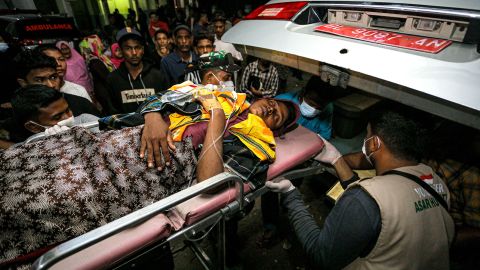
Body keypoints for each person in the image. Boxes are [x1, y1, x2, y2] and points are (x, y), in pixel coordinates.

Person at [266, 110, 455, 269]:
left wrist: (290, 194)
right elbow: (380, 205)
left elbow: (322, 255)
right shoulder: (434, 181)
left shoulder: (364, 199)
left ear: (374, 143)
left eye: (367, 135)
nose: (365, 140)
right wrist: (337, 160)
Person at [11, 50, 100, 143]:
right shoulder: (17, 118)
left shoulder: (81, 103)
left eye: (53, 77)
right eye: (39, 80)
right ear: (23, 83)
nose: (50, 85)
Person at [106, 27, 169, 114]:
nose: (134, 53)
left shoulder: (157, 76)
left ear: (142, 50)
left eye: (137, 48)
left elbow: (166, 107)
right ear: (121, 50)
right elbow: (113, 112)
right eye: (128, 48)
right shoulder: (113, 79)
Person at [11, 84, 99, 142]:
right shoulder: (27, 148)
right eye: (57, 117)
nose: (68, 117)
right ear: (33, 127)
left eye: (68, 110)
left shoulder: (86, 121)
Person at [79, 34, 116, 114]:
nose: (101, 44)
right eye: (98, 42)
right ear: (93, 46)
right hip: (104, 92)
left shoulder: (100, 58)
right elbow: (106, 78)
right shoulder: (94, 61)